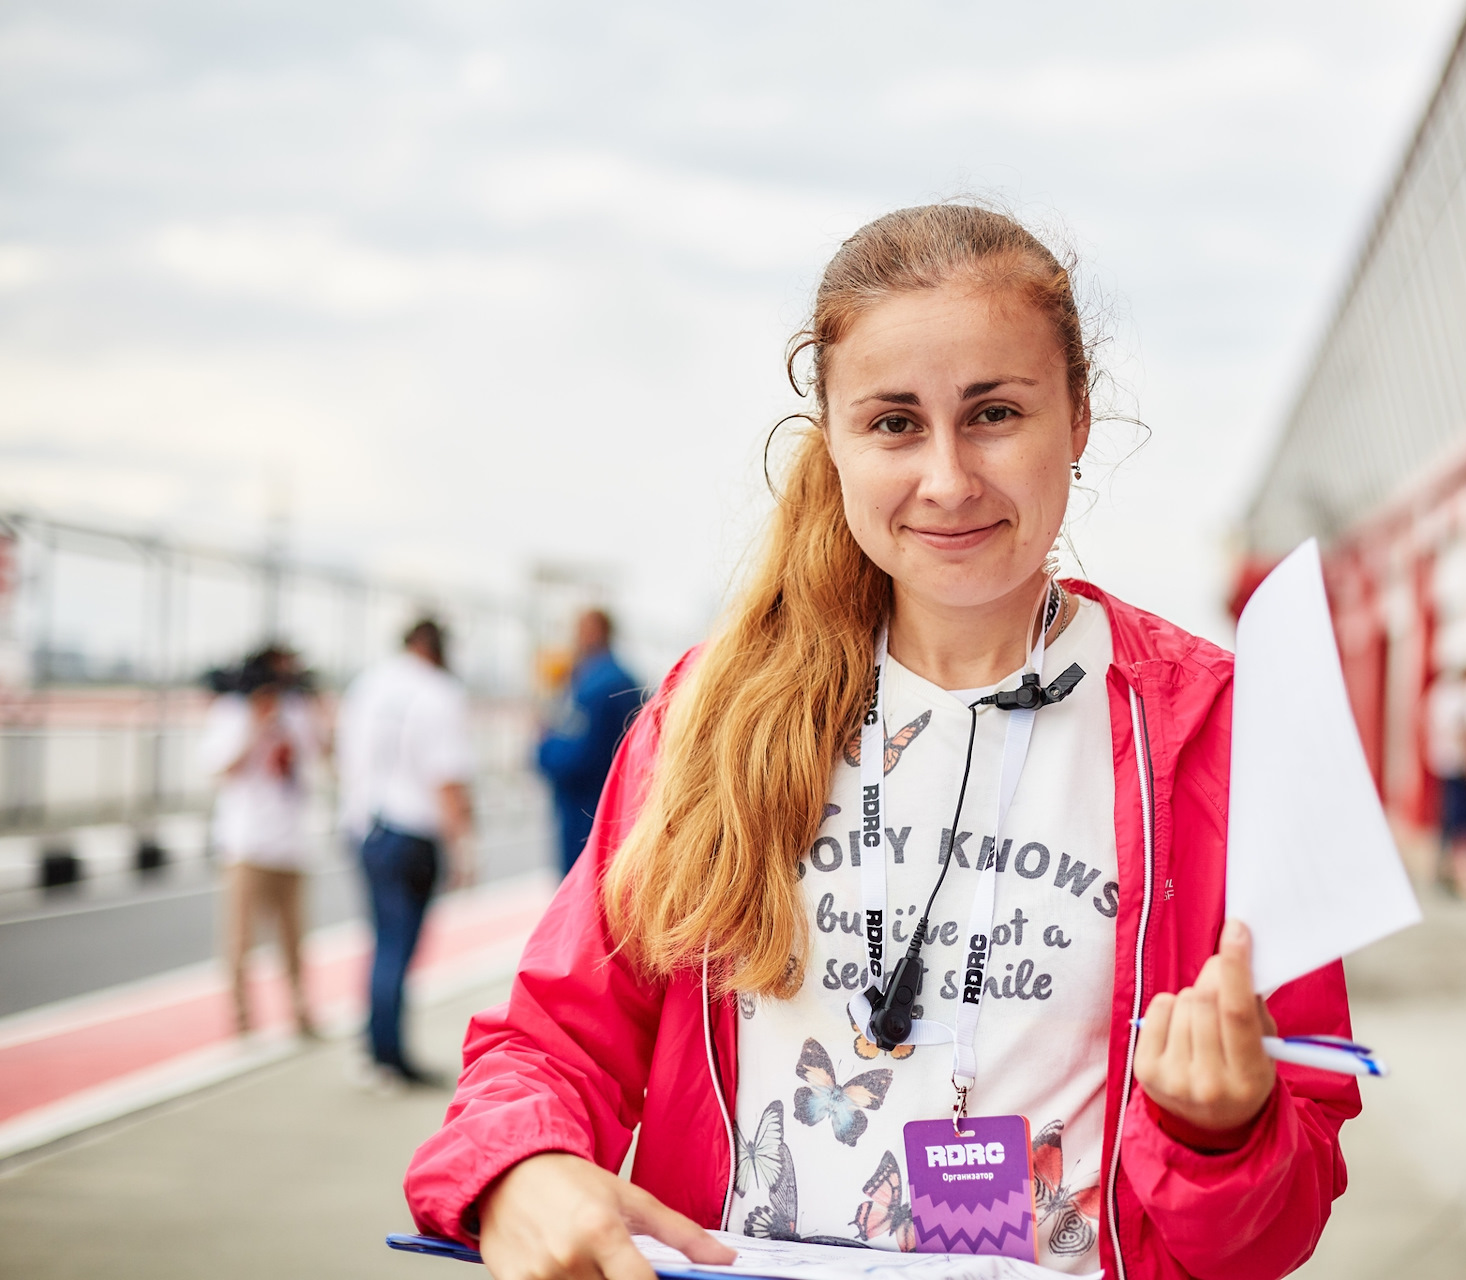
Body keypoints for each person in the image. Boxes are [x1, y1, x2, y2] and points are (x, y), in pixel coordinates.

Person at [405, 205, 1358, 1280]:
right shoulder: (713, 712)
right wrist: (516, 1165)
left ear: (1080, 419)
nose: (948, 479)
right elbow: (551, 1040)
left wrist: (1221, 1134)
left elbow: (1279, 1216)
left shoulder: (1216, 729)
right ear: (836, 440)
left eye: (994, 412)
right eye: (895, 423)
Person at [337, 618, 476, 1088]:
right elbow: (448, 778)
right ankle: (388, 1055)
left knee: (381, 941)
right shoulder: (438, 693)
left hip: (365, 826)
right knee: (399, 946)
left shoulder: (367, 685)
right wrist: (464, 847)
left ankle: (375, 1042)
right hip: (411, 832)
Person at [199, 644, 322, 1038]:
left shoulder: (299, 710)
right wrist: (256, 724)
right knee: (240, 939)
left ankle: (301, 1011)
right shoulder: (231, 711)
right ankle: (241, 1019)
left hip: (291, 843)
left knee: (294, 939)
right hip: (246, 843)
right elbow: (221, 768)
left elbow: (323, 754)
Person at [536, 609, 645, 878]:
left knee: (583, 894)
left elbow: (573, 755)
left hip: (586, 814)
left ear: (594, 632)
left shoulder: (595, 685)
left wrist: (542, 747)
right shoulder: (625, 679)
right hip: (622, 809)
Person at [1425, 668, 1466, 895]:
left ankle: (1443, 870)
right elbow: (1463, 729)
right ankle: (1460, 874)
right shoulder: (1462, 697)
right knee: (1462, 822)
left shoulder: (1438, 696)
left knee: (1448, 821)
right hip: (1458, 766)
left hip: (1444, 763)